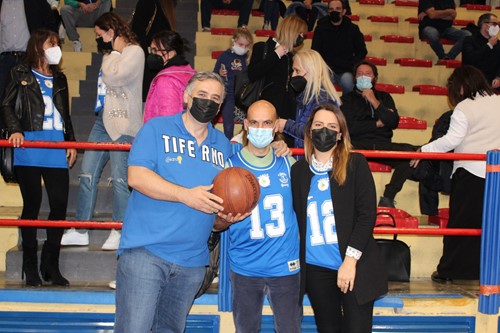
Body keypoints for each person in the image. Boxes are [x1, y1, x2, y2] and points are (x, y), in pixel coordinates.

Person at [114, 72, 250, 332]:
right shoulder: (156, 128)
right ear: (186, 97)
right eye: (201, 95)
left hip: (192, 262)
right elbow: (137, 177)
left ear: (220, 107)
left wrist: (225, 220)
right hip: (146, 253)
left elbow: (215, 212)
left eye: (215, 98)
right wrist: (185, 194)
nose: (208, 102)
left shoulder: (223, 146)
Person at [291, 103, 387, 332]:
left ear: (340, 134)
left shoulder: (356, 163)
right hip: (316, 269)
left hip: (354, 266)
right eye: (319, 125)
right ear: (309, 131)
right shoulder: (298, 171)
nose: (325, 130)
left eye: (332, 126)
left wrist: (350, 261)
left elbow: (367, 216)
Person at [61, 12, 144, 250]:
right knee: (86, 174)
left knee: (120, 179)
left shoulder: (134, 52)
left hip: (125, 123)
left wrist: (115, 53)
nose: (100, 39)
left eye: (100, 34)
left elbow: (114, 77)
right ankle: (81, 228)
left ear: (111, 30)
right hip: (103, 120)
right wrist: (112, 54)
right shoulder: (111, 54)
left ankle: (118, 229)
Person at [216, 100, 301, 332]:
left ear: (276, 127)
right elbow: (214, 222)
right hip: (245, 267)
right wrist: (223, 219)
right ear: (245, 124)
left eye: (266, 123)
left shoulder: (288, 163)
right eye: (254, 122)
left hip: (285, 266)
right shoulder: (228, 167)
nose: (260, 129)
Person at [1, 29, 77, 287]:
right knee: (31, 206)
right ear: (37, 47)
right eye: (51, 43)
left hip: (56, 145)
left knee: (58, 206)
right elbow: (6, 105)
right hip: (29, 144)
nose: (56, 48)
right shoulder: (19, 73)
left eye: (57, 43)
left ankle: (50, 265)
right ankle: (30, 266)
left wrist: (71, 142)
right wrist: (15, 129)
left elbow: (65, 114)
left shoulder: (61, 78)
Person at [411, 66, 500, 283]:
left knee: (461, 226)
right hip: (496, 174)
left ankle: (450, 271)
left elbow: (452, 140)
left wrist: (424, 149)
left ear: (460, 87)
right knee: (491, 226)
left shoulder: (464, 107)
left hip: (470, 173)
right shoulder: (498, 101)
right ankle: (488, 272)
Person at [340, 60, 418, 208]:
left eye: (368, 74)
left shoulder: (384, 97)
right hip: (357, 144)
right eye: (360, 74)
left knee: (411, 153)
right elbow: (349, 128)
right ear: (354, 78)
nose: (364, 76)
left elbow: (393, 122)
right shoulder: (347, 99)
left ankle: (388, 197)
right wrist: (376, 124)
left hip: (383, 144)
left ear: (375, 78)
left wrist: (374, 101)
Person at [247, 14, 307, 146]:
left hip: (287, 112)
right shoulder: (263, 48)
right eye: (300, 33)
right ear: (291, 30)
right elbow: (252, 73)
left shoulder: (292, 56)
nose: (302, 38)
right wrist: (275, 55)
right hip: (265, 109)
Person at [276, 49, 341, 148]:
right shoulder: (304, 96)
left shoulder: (324, 100)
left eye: (297, 71)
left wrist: (286, 125)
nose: (293, 75)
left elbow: (319, 133)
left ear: (312, 72)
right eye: (293, 71)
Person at [0, 0, 57, 112]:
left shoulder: (36, 2)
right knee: (3, 100)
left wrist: (43, 51)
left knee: (30, 100)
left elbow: (51, 27)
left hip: (30, 58)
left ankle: (27, 129)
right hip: (4, 60)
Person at [311, 0, 367, 94]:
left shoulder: (353, 29)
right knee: (320, 84)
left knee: (348, 82)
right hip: (326, 70)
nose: (334, 11)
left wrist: (351, 64)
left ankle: (348, 107)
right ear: (328, 11)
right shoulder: (320, 29)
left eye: (338, 9)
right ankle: (323, 108)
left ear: (344, 11)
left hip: (346, 70)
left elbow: (362, 51)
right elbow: (315, 51)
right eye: (331, 9)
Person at [143, 30, 196, 123]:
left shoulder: (166, 81)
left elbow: (167, 120)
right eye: (151, 50)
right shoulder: (191, 74)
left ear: (171, 52)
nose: (152, 54)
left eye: (155, 50)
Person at [130, 0, 176, 101]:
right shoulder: (148, 3)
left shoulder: (166, 6)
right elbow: (137, 33)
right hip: (149, 65)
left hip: (157, 64)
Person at [214, 28, 253, 139]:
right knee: (229, 124)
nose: (243, 48)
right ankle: (228, 144)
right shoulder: (225, 56)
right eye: (241, 44)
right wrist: (220, 73)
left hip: (243, 95)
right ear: (234, 41)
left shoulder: (248, 58)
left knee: (248, 122)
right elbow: (214, 74)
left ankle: (245, 142)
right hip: (228, 93)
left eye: (247, 46)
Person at [462, 13, 500, 91]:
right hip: (474, 81)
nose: (497, 27)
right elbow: (471, 59)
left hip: (493, 82)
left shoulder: (498, 43)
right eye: (494, 24)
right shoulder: (470, 40)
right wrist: (489, 45)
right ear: (484, 24)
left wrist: (498, 77)